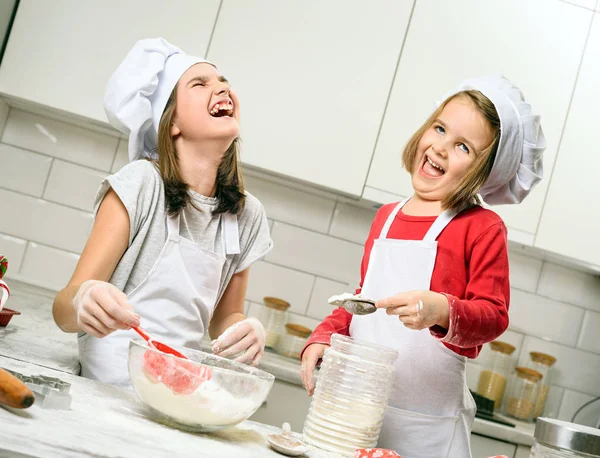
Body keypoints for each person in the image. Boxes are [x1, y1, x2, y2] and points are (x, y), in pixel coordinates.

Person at [300, 75, 546, 457]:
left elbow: (494, 316)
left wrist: (441, 310)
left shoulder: (481, 227)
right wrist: (323, 336)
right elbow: (366, 301)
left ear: (485, 172)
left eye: (463, 146)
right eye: (440, 128)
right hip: (359, 420)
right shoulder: (386, 216)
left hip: (427, 431)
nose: (441, 147)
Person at [52, 37, 272, 387]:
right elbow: (64, 309)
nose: (222, 90)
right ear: (172, 124)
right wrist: (83, 301)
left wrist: (245, 331)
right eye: (200, 84)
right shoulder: (140, 185)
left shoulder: (247, 215)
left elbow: (224, 317)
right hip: (106, 389)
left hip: (179, 392)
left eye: (224, 83)